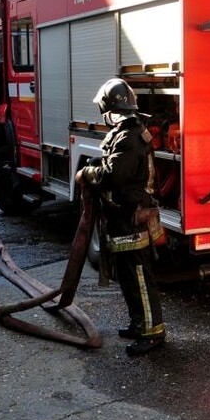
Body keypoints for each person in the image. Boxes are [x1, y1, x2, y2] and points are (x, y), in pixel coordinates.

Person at [75, 78, 166, 356]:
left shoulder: (129, 137)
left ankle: (153, 332)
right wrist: (96, 163)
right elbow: (114, 164)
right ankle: (139, 323)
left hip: (132, 217)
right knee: (127, 276)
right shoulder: (125, 131)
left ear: (108, 106)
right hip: (123, 216)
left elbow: (114, 176)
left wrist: (88, 173)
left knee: (138, 276)